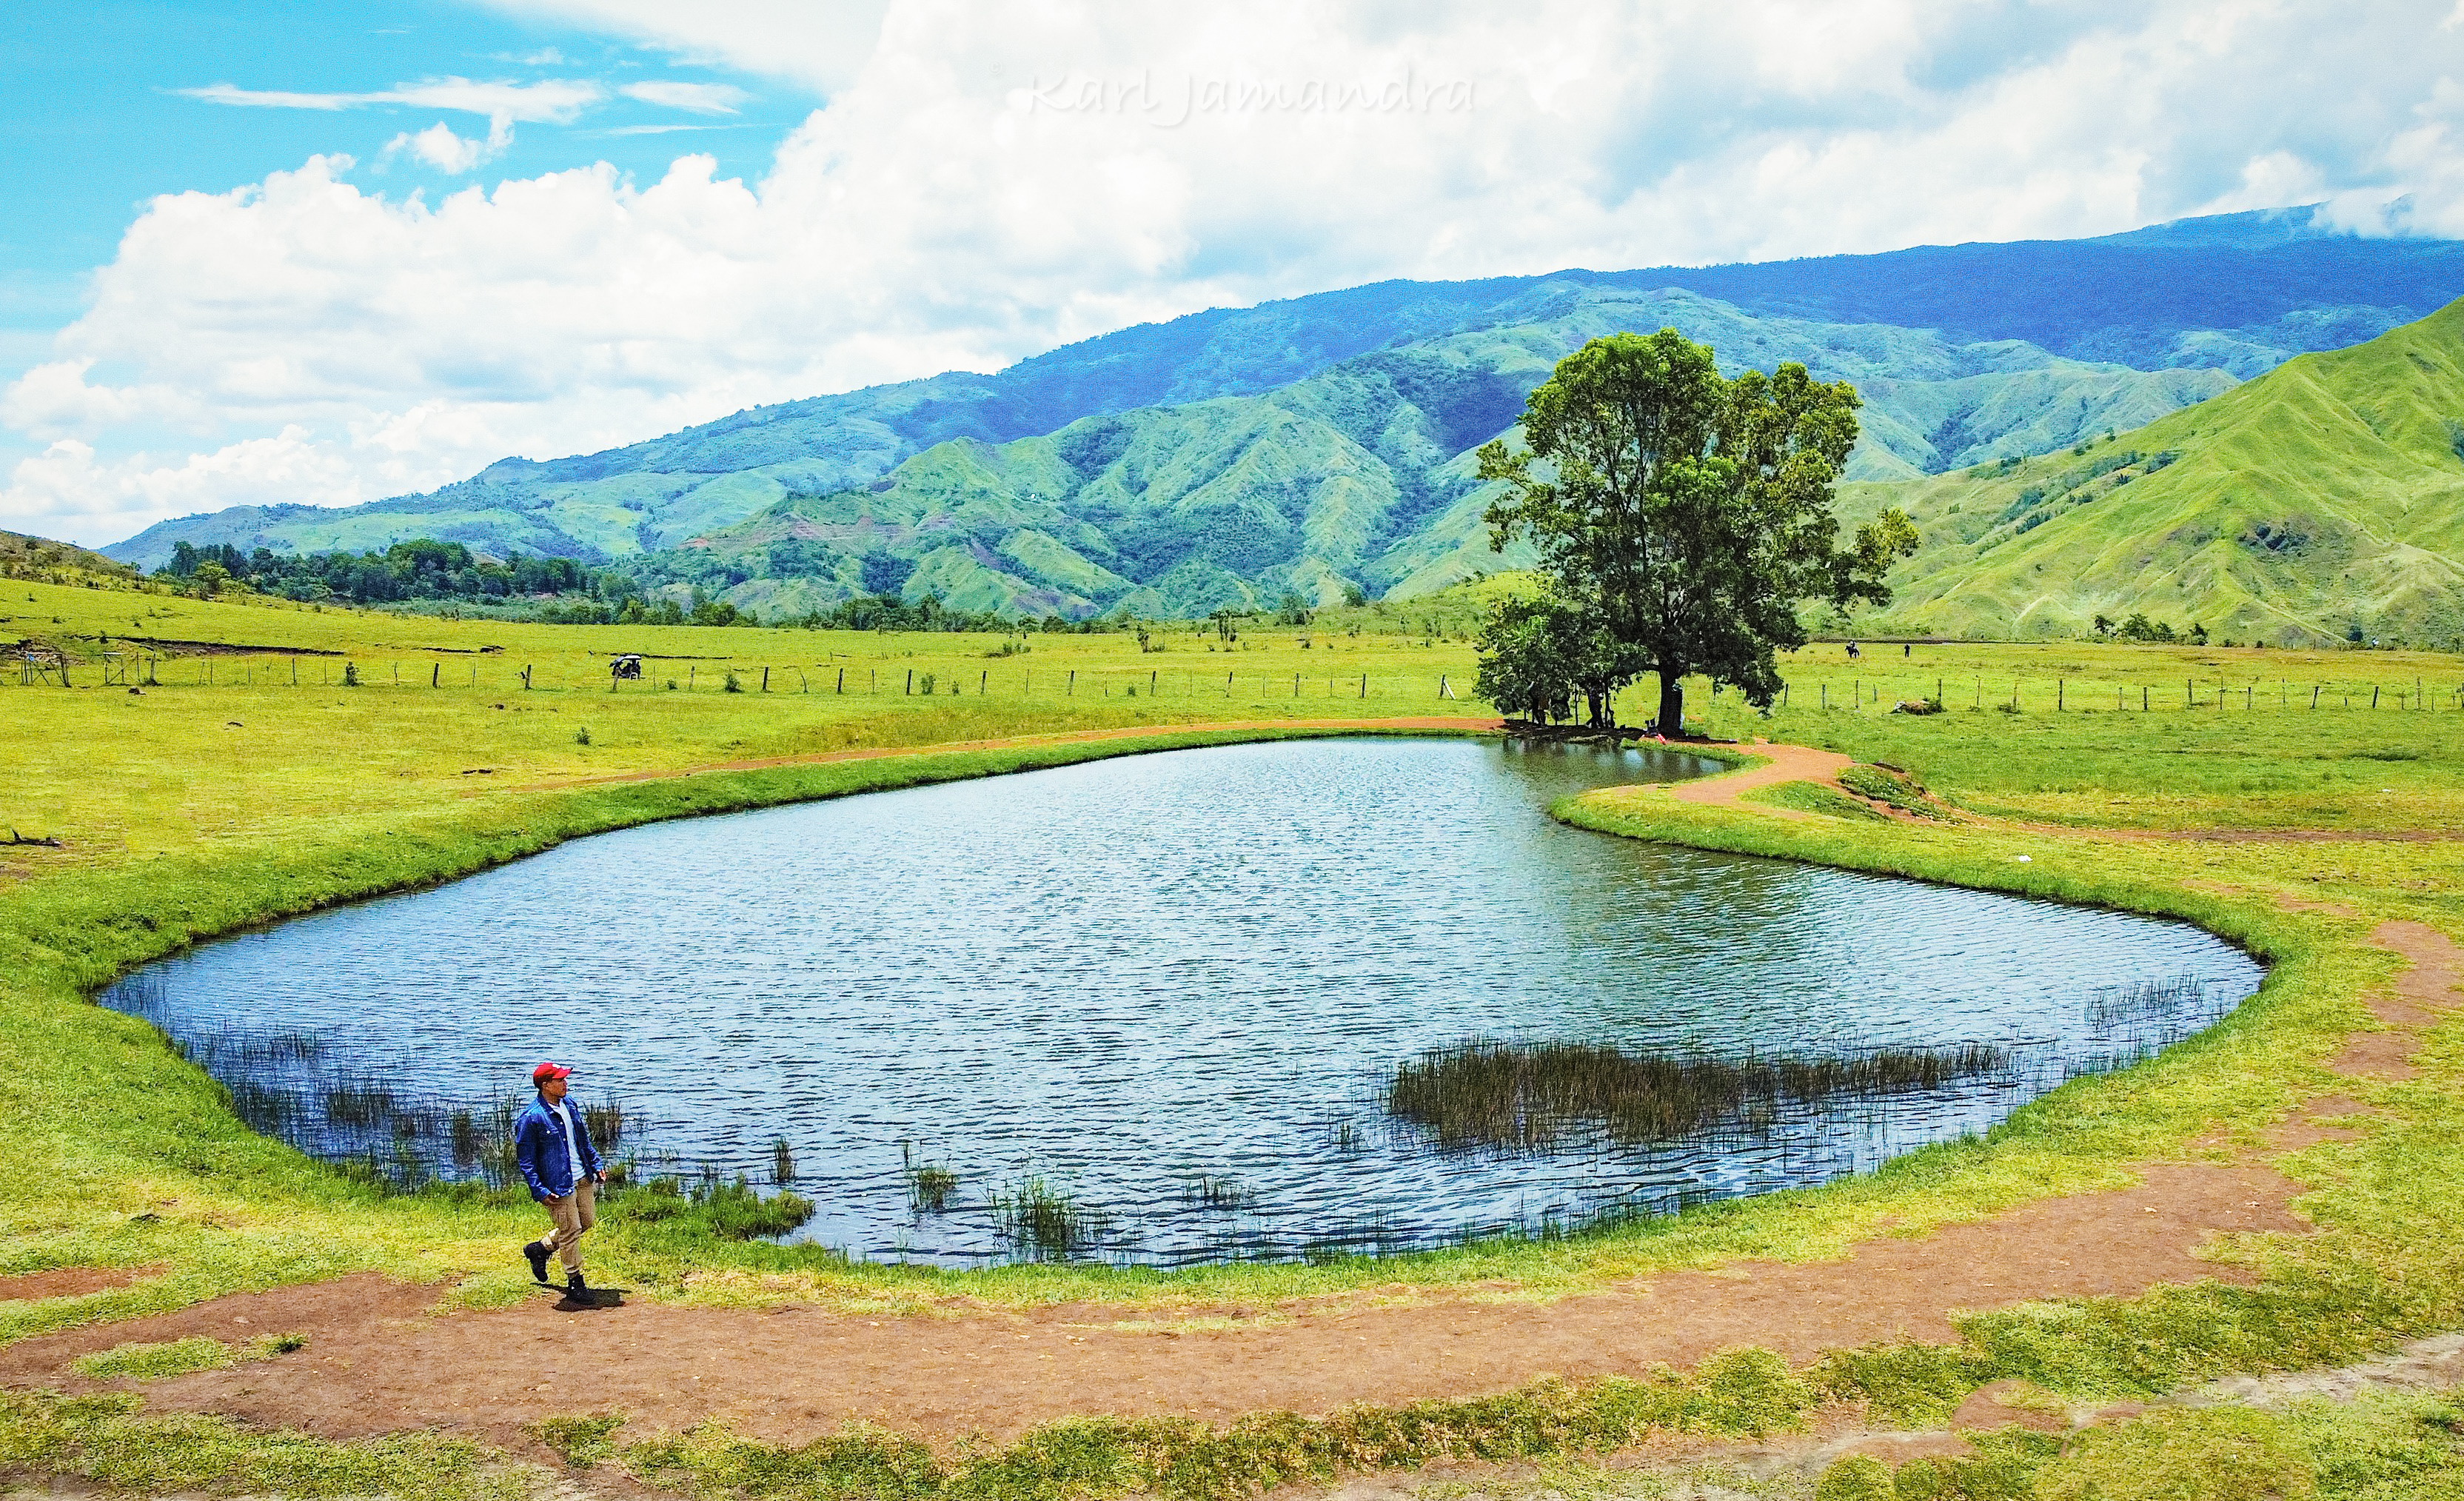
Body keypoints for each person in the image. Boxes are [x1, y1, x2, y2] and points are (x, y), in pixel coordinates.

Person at [515, 1062, 606, 1297]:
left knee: (586, 1221)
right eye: (560, 1080)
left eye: (565, 1079)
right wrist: (540, 1190)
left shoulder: (570, 1105)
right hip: (558, 1185)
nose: (565, 1083)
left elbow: (583, 1140)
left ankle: (541, 1248)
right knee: (570, 1228)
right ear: (546, 1085)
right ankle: (575, 1281)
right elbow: (526, 1160)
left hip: (583, 1176)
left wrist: (596, 1165)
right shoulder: (532, 1118)